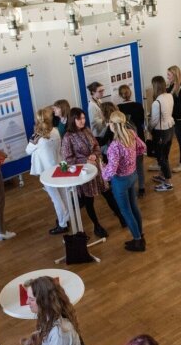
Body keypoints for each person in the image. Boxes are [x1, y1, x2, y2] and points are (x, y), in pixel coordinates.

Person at [62, 107, 126, 238]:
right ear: (72, 119)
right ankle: (97, 226)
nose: (82, 121)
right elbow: (67, 159)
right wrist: (86, 159)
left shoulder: (87, 130)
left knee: (108, 194)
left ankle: (122, 217)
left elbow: (97, 146)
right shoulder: (67, 137)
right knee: (89, 201)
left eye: (84, 118)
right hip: (84, 173)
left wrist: (95, 155)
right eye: (79, 119)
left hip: (97, 168)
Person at [102, 111, 147, 252]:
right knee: (134, 207)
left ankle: (138, 241)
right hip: (133, 176)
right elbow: (142, 147)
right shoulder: (131, 134)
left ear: (113, 125)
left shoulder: (115, 146)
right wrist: (131, 162)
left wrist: (102, 170)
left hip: (120, 181)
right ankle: (140, 235)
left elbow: (112, 170)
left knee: (126, 211)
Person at [26, 107, 70, 235]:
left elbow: (27, 150)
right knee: (63, 194)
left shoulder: (37, 137)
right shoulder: (55, 131)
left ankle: (62, 223)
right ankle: (67, 218)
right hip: (59, 166)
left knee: (55, 198)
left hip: (47, 172)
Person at [117, 84, 147, 195]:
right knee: (139, 164)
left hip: (126, 141)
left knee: (128, 165)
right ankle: (142, 187)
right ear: (130, 93)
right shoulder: (139, 106)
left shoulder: (118, 108)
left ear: (120, 95)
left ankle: (131, 188)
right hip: (139, 138)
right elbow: (141, 122)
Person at [148, 76, 175, 192]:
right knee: (165, 154)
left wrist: (148, 129)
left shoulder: (156, 102)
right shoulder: (169, 95)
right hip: (170, 128)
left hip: (160, 132)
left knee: (161, 157)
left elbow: (154, 121)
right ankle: (162, 175)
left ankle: (168, 182)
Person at [167, 65, 181, 173]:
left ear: (175, 75)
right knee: (168, 140)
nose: (167, 77)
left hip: (180, 119)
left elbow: (180, 107)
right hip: (172, 118)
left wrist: (169, 107)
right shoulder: (171, 85)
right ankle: (163, 161)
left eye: (169, 75)